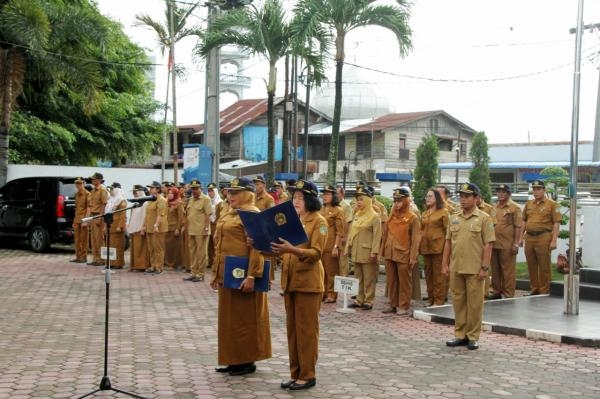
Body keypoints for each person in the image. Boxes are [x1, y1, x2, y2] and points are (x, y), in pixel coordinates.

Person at [211, 177, 271, 377]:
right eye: (229, 192)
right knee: (229, 319)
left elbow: (258, 249)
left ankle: (246, 360)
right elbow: (220, 245)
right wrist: (215, 273)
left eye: (235, 192)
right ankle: (232, 358)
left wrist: (253, 275)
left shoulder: (252, 214)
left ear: (247, 194)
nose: (230, 195)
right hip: (227, 273)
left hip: (243, 274)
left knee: (245, 319)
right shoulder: (229, 212)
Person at [271, 179, 327, 391]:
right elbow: (279, 249)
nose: (296, 201)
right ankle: (296, 373)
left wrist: (292, 250)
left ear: (311, 200)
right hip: (291, 283)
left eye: (301, 198)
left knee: (306, 331)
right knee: (293, 332)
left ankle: (308, 375)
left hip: (308, 284)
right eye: (294, 197)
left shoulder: (319, 222)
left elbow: (316, 253)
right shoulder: (289, 221)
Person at [442, 183, 495, 351]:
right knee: (458, 302)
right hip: (456, 267)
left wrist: (484, 267)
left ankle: (473, 336)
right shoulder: (454, 217)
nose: (463, 199)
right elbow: (448, 242)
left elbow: (488, 245)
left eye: (467, 196)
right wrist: (445, 263)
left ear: (476, 198)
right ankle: (460, 334)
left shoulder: (484, 218)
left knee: (475, 304)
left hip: (475, 268)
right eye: (461, 196)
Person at [381, 187, 421, 315]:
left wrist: (413, 257)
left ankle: (404, 305)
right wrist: (382, 251)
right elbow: (385, 234)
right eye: (395, 200)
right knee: (391, 280)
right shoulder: (392, 215)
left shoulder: (412, 217)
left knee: (404, 281)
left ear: (406, 201)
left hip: (404, 253)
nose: (397, 203)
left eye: (400, 200)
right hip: (390, 253)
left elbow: (415, 239)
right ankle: (393, 304)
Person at [519, 180, 562, 295]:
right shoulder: (529, 204)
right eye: (534, 189)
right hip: (529, 237)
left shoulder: (553, 205)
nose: (536, 191)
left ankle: (545, 290)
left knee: (544, 265)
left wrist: (554, 240)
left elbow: (556, 223)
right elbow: (523, 221)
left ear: (544, 190)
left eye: (539, 189)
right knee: (531, 264)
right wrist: (520, 238)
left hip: (544, 237)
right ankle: (534, 288)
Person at [347, 186, 382, 310]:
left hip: (368, 252)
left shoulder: (375, 216)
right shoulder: (357, 214)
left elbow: (378, 236)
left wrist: (375, 252)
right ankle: (359, 299)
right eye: (358, 200)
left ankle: (369, 300)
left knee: (368, 278)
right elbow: (351, 232)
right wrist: (348, 247)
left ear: (368, 200)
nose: (359, 202)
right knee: (358, 277)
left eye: (361, 199)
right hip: (357, 251)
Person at [489, 184, 523, 299]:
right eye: (499, 192)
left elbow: (518, 226)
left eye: (503, 192)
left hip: (507, 244)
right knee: (495, 269)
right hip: (494, 243)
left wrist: (516, 243)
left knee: (507, 270)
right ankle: (497, 291)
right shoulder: (494, 207)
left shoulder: (515, 208)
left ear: (509, 194)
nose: (501, 194)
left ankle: (508, 293)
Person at [420, 188, 449, 306]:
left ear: (437, 198)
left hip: (438, 248)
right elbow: (421, 230)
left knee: (439, 276)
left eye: (430, 196)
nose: (427, 198)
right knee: (428, 275)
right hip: (426, 248)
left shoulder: (444, 212)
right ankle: (430, 299)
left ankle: (438, 301)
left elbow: (448, 231)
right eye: (427, 196)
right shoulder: (425, 213)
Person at [182, 179, 211, 282]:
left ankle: (200, 274)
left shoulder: (206, 199)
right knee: (193, 253)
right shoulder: (190, 200)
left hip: (201, 231)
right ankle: (194, 273)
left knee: (201, 253)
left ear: (200, 188)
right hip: (192, 230)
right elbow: (188, 214)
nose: (194, 191)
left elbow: (208, 215)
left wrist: (206, 228)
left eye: (196, 188)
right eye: (193, 189)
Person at [319, 185, 344, 303]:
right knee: (322, 270)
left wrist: (336, 247)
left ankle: (331, 294)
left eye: (328, 194)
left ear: (333, 196)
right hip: (321, 245)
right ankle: (323, 292)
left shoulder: (338, 211)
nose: (324, 196)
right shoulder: (320, 209)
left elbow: (340, 231)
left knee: (331, 272)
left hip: (331, 245)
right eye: (324, 194)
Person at [143, 181, 168, 275]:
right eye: (150, 188)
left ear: (158, 189)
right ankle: (153, 265)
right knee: (151, 248)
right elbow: (147, 214)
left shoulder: (161, 200)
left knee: (158, 248)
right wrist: (144, 225)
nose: (150, 189)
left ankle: (159, 267)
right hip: (150, 227)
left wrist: (156, 225)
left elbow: (160, 214)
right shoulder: (150, 199)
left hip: (158, 228)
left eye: (152, 188)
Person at [87, 172, 109, 266]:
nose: (92, 180)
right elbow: (91, 205)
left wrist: (101, 217)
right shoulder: (93, 191)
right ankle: (95, 258)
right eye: (92, 179)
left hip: (98, 216)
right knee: (93, 239)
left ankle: (101, 259)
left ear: (99, 180)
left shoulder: (102, 190)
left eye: (94, 179)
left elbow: (104, 204)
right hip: (93, 215)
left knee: (99, 238)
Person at [105, 183, 127, 269]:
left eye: (112, 189)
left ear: (117, 190)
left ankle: (118, 263)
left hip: (117, 227)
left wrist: (120, 226)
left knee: (117, 245)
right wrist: (104, 226)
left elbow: (123, 214)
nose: (110, 191)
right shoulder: (111, 200)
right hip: (110, 226)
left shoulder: (122, 200)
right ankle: (111, 262)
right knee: (110, 246)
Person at [127, 184, 149, 272]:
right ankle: (134, 265)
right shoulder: (135, 203)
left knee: (141, 249)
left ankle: (142, 266)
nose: (134, 194)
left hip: (140, 229)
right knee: (135, 249)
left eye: (135, 192)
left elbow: (145, 217)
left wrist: (143, 228)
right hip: (134, 228)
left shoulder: (146, 203)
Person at [70, 176, 90, 263]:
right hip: (77, 219)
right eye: (77, 183)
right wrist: (74, 221)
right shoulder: (76, 194)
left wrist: (85, 220)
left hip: (83, 220)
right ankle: (78, 256)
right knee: (77, 239)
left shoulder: (87, 194)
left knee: (84, 239)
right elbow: (77, 208)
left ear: (84, 184)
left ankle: (83, 257)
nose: (78, 185)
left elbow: (89, 208)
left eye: (80, 183)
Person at [164, 187, 184, 270]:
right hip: (166, 227)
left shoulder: (179, 203)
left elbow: (181, 217)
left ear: (175, 194)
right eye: (168, 193)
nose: (169, 195)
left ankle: (175, 264)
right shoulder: (166, 203)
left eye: (171, 193)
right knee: (168, 247)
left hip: (174, 228)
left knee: (175, 248)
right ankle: (168, 263)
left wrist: (178, 228)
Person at [336, 185, 353, 276]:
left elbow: (348, 222)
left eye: (337, 193)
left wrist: (345, 237)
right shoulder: (334, 205)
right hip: (335, 237)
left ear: (342, 194)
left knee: (343, 261)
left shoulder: (346, 206)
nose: (335, 195)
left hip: (343, 238)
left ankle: (343, 279)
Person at [206, 182, 222, 269]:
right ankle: (210, 262)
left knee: (216, 244)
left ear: (215, 191)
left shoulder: (220, 202)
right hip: (208, 225)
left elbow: (221, 216)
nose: (210, 193)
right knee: (209, 245)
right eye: (208, 191)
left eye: (212, 191)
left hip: (216, 225)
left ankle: (217, 262)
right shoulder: (207, 201)